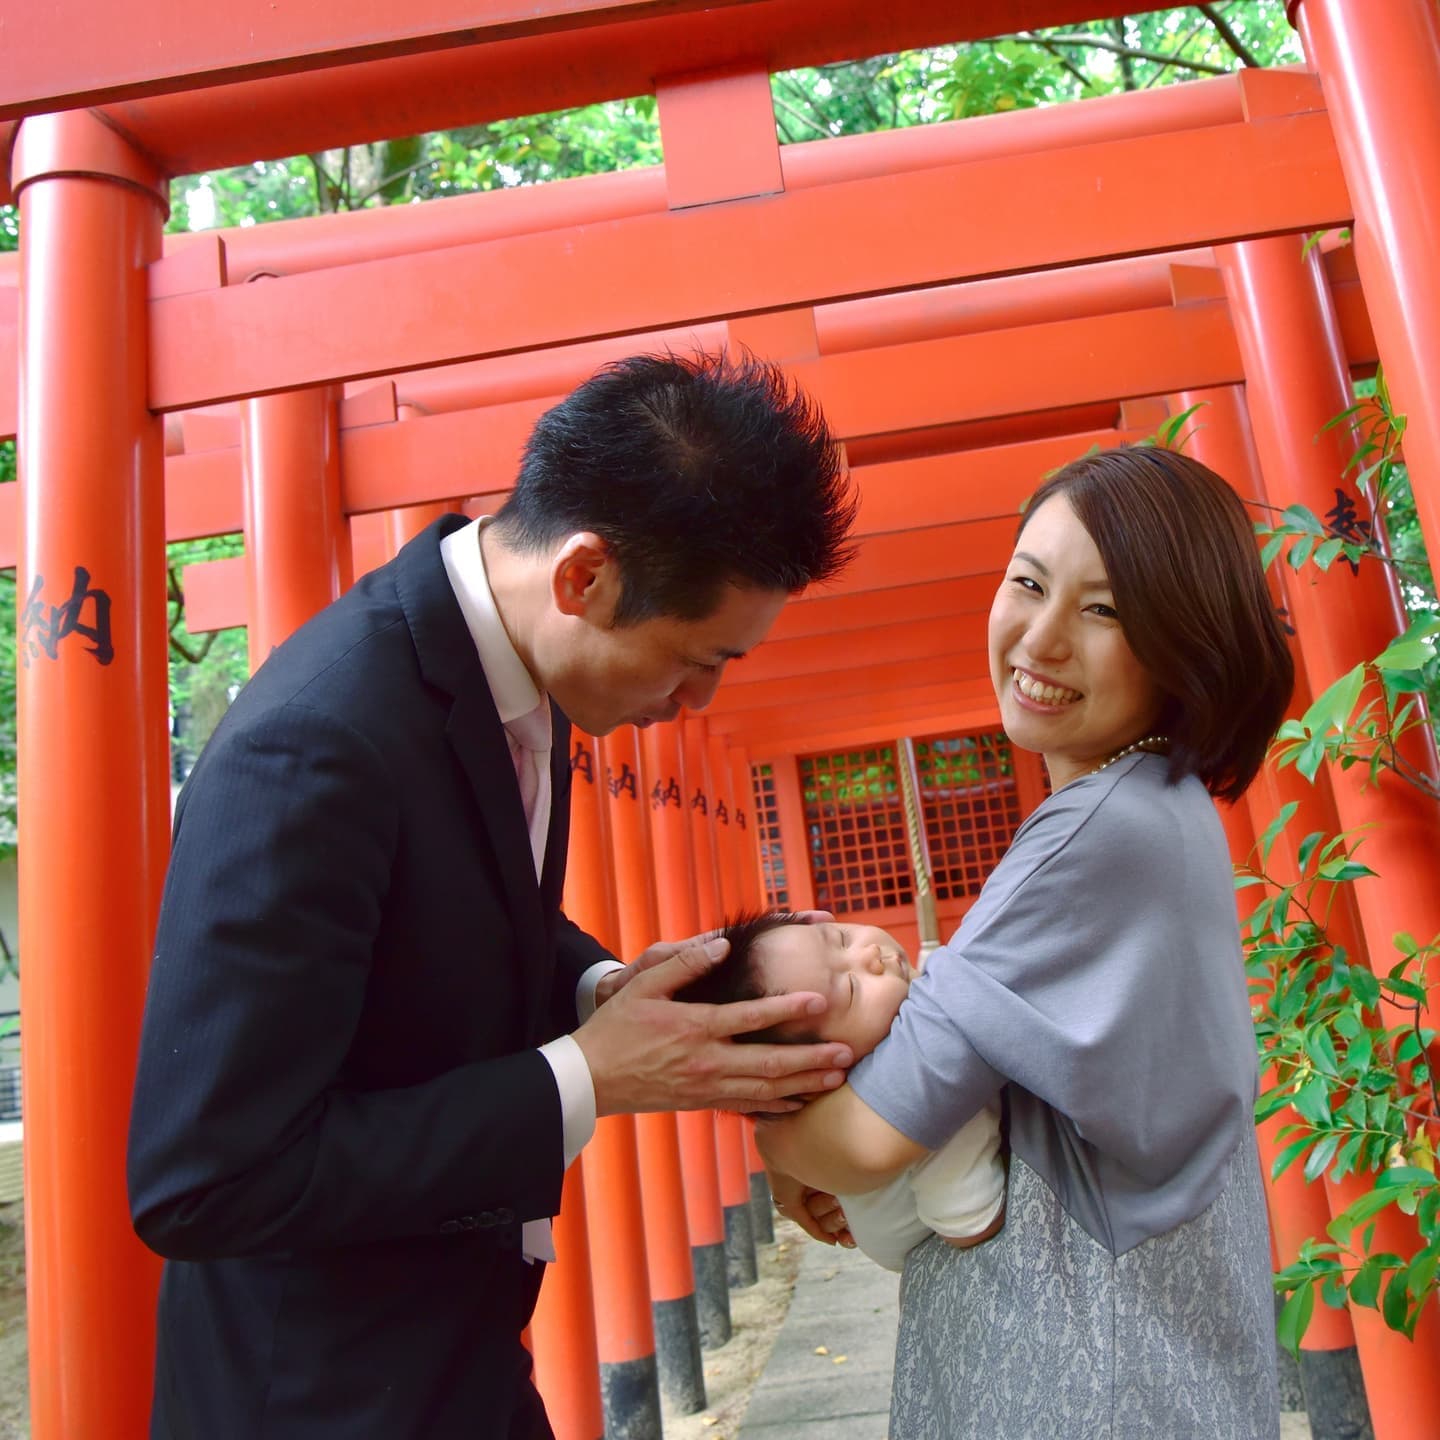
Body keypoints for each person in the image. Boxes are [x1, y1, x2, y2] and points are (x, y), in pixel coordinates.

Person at [126, 352, 860, 1440]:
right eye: (698, 659)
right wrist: (583, 1078)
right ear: (585, 577)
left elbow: (453, 914)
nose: (696, 699)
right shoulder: (317, 744)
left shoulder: (504, 670)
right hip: (320, 1397)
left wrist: (603, 989)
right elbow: (207, 1179)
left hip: (453, 1355)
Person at [758, 444, 1294, 1439]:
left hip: (1077, 1379)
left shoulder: (1097, 832)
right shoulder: (1154, 805)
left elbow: (869, 1139)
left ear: (1184, 641)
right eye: (1029, 583)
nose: (1040, 639)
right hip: (1145, 1366)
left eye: (1105, 610)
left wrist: (778, 1143)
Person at [677, 909, 1006, 1272]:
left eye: (841, 938)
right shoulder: (923, 1087)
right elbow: (968, 1221)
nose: (871, 956)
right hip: (927, 1248)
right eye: (852, 990)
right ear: (817, 1076)